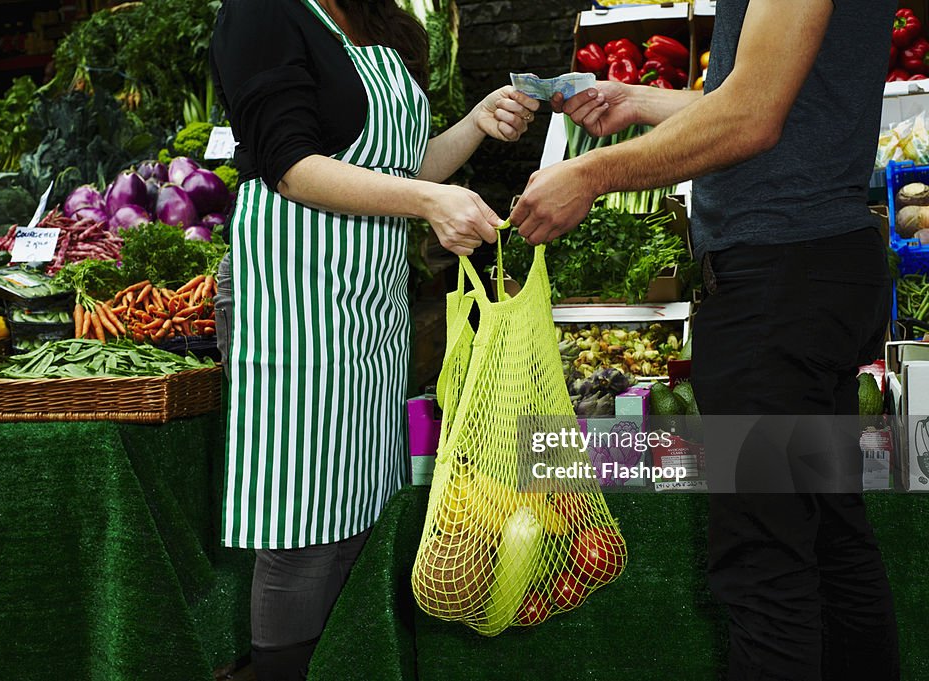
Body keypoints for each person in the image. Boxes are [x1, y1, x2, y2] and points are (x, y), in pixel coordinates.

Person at [511, 1, 899, 679]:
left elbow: (752, 115)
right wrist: (632, 99)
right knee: (831, 542)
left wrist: (591, 173)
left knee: (763, 567)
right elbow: (768, 95)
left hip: (779, 281)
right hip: (814, 266)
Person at [209, 1, 538, 678]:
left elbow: (404, 165)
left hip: (368, 303)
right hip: (290, 296)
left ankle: (342, 661)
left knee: (356, 509)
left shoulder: (380, 22)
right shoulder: (264, 13)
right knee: (300, 523)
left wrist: (475, 123)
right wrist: (427, 203)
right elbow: (291, 165)